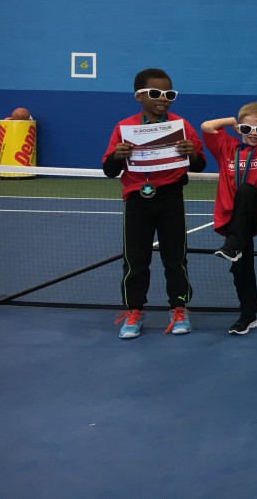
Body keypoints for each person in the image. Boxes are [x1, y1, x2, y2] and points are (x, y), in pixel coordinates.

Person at [103, 68, 206, 339]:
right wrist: (117, 156)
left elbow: (200, 164)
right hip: (137, 200)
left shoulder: (181, 125)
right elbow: (109, 170)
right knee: (136, 259)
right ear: (139, 96)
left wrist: (192, 154)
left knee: (175, 258)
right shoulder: (124, 128)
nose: (163, 98)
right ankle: (134, 311)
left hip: (171, 198)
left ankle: (179, 308)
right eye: (156, 93)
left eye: (169, 94)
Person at [201, 103, 257, 335]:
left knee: (245, 190)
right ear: (240, 129)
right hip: (233, 218)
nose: (254, 134)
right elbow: (206, 127)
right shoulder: (226, 147)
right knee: (240, 270)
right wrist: (231, 121)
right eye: (247, 129)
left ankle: (232, 246)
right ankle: (248, 315)